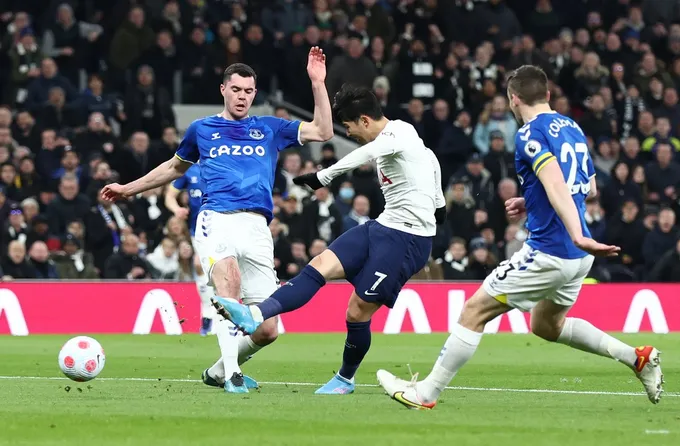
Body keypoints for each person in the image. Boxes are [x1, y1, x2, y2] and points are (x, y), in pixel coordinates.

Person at [374, 65, 664, 410]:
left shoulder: (529, 134)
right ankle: (637, 358)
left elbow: (556, 182)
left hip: (551, 251)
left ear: (513, 99)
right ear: (548, 95)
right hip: (576, 255)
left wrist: (572, 230)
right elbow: (587, 187)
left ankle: (425, 393)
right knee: (546, 325)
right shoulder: (572, 127)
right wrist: (533, 201)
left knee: (474, 310)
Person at [101, 47, 334, 393]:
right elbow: (173, 168)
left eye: (248, 91)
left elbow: (323, 131)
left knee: (268, 329)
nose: (242, 97)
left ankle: (217, 370)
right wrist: (129, 189)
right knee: (230, 286)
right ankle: (233, 376)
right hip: (216, 219)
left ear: (255, 94)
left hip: (257, 227)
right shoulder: (202, 129)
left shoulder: (269, 128)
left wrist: (318, 82)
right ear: (223, 89)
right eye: (236, 89)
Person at [212, 84, 446, 395]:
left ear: (365, 120)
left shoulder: (400, 133)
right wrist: (435, 203)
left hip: (408, 239)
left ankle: (345, 379)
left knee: (356, 311)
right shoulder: (415, 147)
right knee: (319, 264)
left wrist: (325, 176)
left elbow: (369, 152)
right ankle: (255, 314)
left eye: (349, 127)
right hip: (382, 226)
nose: (349, 134)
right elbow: (435, 181)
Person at [164, 162, 216, 336]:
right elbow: (170, 196)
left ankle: (224, 314)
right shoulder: (189, 171)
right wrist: (176, 209)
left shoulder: (222, 164)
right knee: (199, 264)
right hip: (198, 229)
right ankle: (208, 315)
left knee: (220, 269)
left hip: (222, 226)